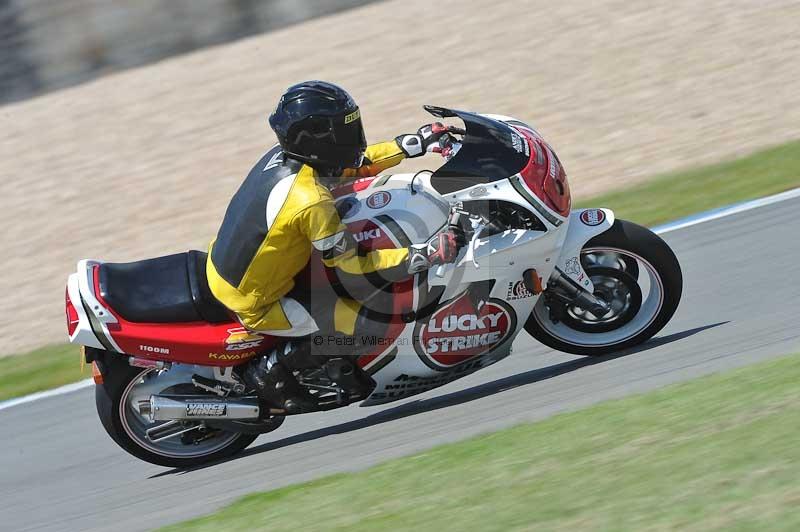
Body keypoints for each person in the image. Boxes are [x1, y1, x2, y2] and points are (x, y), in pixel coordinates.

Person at [206, 80, 462, 413]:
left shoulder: (287, 159)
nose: (354, 136)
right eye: (344, 132)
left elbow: (353, 163)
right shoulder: (309, 200)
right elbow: (353, 265)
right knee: (363, 317)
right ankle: (270, 371)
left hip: (233, 267)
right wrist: (425, 253)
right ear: (318, 140)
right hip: (258, 302)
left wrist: (412, 144)